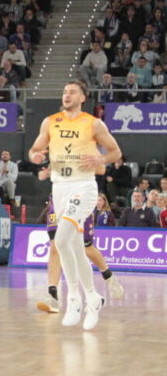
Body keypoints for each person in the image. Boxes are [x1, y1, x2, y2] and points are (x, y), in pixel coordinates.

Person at [29, 80, 122, 331]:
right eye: (64, 91)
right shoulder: (50, 121)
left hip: (83, 188)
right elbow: (35, 149)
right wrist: (35, 156)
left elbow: (116, 152)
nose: (66, 94)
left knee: (60, 241)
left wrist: (100, 158)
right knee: (74, 247)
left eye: (72, 91)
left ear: (83, 97)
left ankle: (73, 298)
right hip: (59, 188)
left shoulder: (93, 123)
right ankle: (93, 298)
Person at [36, 189, 124, 314]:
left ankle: (109, 277)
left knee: (86, 248)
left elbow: (99, 169)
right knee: (55, 247)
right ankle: (52, 296)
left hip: (80, 201)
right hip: (58, 200)